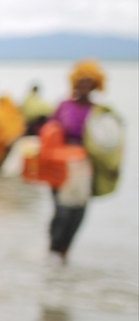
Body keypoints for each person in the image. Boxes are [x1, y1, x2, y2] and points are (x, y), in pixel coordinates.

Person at [45, 60, 114, 263]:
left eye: (89, 83)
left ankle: (65, 254)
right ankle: (52, 251)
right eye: (82, 82)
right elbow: (50, 133)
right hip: (62, 167)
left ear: (96, 86)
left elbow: (108, 141)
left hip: (85, 168)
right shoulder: (64, 106)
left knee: (78, 215)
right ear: (75, 84)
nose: (85, 87)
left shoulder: (100, 112)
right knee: (62, 211)